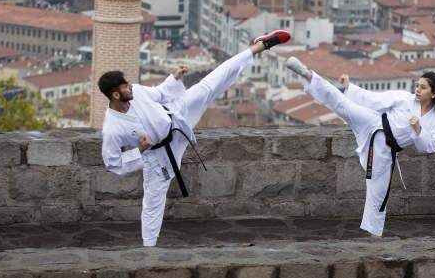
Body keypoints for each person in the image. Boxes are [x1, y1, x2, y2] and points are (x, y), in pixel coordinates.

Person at [99, 30, 291, 247]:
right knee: (153, 201)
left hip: (176, 117)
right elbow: (113, 163)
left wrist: (174, 77)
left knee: (210, 84)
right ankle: (148, 248)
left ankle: (257, 47)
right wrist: (139, 151)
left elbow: (161, 94)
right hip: (158, 155)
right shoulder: (112, 128)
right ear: (115, 95)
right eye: (125, 86)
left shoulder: (137, 92)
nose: (130, 87)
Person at [285, 57, 435, 237]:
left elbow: (430, 147)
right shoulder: (404, 98)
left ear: (433, 94)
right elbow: (374, 100)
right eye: (417, 85)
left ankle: (373, 236)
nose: (417, 90)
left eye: (423, 87)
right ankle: (307, 73)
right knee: (341, 103)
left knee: (378, 194)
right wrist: (350, 87)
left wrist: (418, 129)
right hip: (373, 123)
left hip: (385, 149)